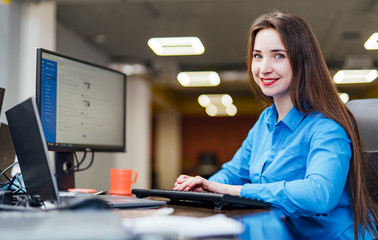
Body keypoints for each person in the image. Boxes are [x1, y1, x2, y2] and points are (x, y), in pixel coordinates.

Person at [173, 11, 377, 240]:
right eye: (258, 56)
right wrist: (204, 187)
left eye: (278, 56)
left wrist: (233, 191)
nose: (264, 68)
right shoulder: (265, 122)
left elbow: (320, 194)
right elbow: (233, 173)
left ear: (302, 60)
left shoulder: (327, 125)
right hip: (284, 232)